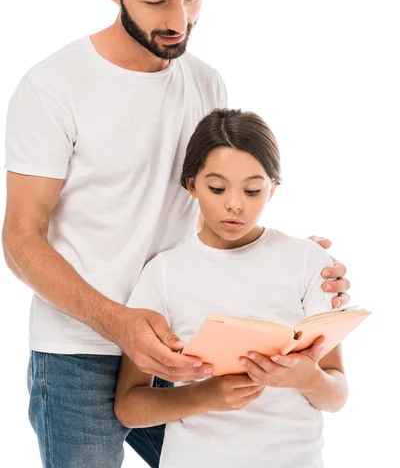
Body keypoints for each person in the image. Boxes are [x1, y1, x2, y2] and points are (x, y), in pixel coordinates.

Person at [2, 0, 350, 468]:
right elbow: (19, 237)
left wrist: (291, 259)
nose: (179, 21)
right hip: (80, 350)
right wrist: (119, 322)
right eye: (157, 1)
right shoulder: (52, 88)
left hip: (192, 342)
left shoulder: (207, 83)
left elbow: (219, 194)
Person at [115, 108, 348, 468]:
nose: (235, 204)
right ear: (191, 184)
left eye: (253, 190)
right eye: (217, 188)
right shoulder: (164, 273)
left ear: (273, 189)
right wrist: (204, 396)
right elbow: (130, 407)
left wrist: (308, 377)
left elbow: (336, 395)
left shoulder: (307, 261)